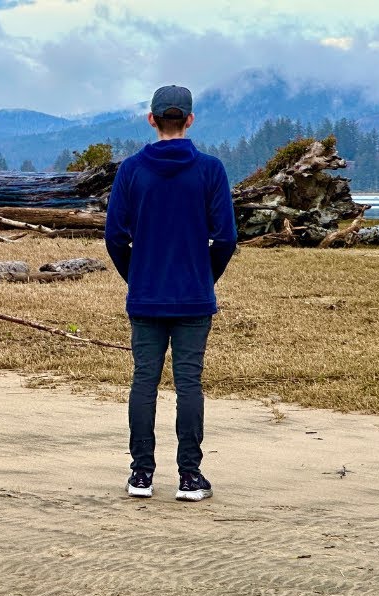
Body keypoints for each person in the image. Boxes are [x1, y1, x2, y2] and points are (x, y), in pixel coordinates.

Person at [104, 85, 237, 502]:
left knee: (144, 381)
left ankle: (141, 475)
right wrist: (204, 278)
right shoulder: (210, 170)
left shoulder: (131, 170)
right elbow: (227, 238)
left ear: (152, 119)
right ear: (191, 120)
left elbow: (114, 237)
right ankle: (189, 477)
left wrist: (136, 276)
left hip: (146, 295)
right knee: (189, 383)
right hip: (194, 297)